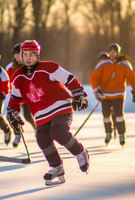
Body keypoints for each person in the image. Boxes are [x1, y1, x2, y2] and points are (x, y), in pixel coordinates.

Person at [6, 40, 90, 186]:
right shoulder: (17, 77)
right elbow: (15, 99)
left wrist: (78, 93)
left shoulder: (48, 67)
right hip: (40, 114)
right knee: (42, 138)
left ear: (37, 55)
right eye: (25, 54)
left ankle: (80, 152)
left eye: (31, 54)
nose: (28, 58)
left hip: (60, 106)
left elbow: (69, 79)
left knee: (58, 132)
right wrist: (11, 112)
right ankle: (56, 167)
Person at [90, 43, 135, 147]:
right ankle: (109, 132)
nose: (112, 53)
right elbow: (93, 77)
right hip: (105, 95)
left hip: (119, 94)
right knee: (106, 115)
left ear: (118, 53)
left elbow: (132, 77)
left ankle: (122, 134)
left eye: (114, 51)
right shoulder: (103, 64)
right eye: (110, 51)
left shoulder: (124, 64)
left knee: (119, 114)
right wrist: (96, 90)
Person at [6, 43, 37, 146]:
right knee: (14, 116)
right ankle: (17, 135)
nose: (17, 56)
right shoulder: (10, 67)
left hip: (27, 95)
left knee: (28, 116)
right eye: (15, 54)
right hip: (16, 95)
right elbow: (8, 82)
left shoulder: (28, 65)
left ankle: (36, 127)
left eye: (19, 54)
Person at [97, 52, 117, 138]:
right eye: (101, 60)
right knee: (106, 113)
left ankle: (115, 126)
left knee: (114, 112)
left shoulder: (112, 68)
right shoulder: (99, 69)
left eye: (104, 60)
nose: (103, 62)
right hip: (104, 95)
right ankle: (108, 131)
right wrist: (98, 91)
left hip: (114, 94)